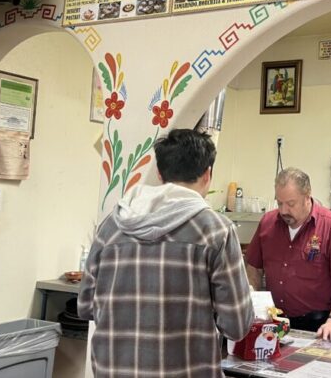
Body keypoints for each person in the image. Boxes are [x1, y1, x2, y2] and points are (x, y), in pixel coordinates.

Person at [79, 129, 253, 377]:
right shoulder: (216, 231)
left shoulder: (111, 226)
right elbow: (236, 325)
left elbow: (86, 307)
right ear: (208, 174)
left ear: (160, 174)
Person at [245, 168, 331, 342]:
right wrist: (256, 303)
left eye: (290, 204)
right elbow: (253, 266)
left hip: (317, 326)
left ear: (307, 197)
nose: (283, 210)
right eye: (279, 203)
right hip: (274, 322)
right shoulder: (267, 223)